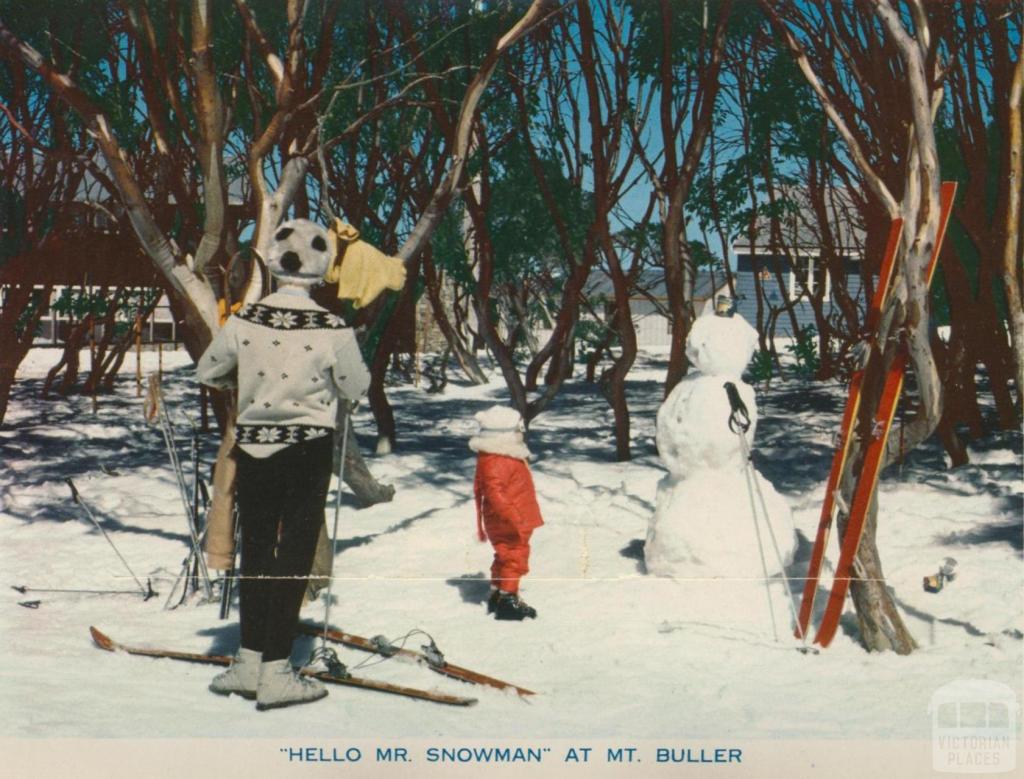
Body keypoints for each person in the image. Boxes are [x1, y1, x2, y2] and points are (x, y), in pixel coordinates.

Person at [197, 219, 369, 710]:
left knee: (256, 549)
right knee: (293, 552)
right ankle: (276, 670)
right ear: (322, 265)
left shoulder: (246, 321)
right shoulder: (332, 328)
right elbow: (356, 386)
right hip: (307, 449)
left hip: (253, 446)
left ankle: (248, 661)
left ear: (275, 258)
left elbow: (209, 369)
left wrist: (248, 388)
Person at [470, 406, 544, 620]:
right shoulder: (497, 460)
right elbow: (495, 493)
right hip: (510, 519)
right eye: (518, 428)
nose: (521, 431)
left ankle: (497, 593)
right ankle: (508, 601)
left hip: (513, 515)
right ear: (504, 434)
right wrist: (514, 518)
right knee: (514, 556)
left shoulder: (500, 456)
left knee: (505, 555)